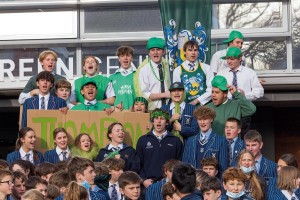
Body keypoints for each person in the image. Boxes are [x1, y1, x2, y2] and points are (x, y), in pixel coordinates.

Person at [136, 108, 183, 188]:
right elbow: (138, 164)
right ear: (152, 121)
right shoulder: (143, 140)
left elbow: (180, 164)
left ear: (167, 122)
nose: (159, 121)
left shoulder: (176, 141)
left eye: (162, 118)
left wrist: (172, 180)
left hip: (169, 184)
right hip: (148, 184)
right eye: (156, 118)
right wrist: (143, 180)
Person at [182, 106, 228, 177]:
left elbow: (223, 169)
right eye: (200, 119)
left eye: (205, 119)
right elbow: (185, 166)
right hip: (193, 183)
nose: (202, 122)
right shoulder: (190, 141)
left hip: (211, 185)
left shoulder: (221, 140)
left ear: (211, 119)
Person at [135, 37, 171, 110]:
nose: (155, 52)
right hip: (152, 110)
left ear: (163, 52)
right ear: (149, 53)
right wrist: (164, 95)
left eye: (158, 49)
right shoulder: (144, 70)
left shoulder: (168, 68)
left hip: (169, 109)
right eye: (152, 50)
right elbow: (144, 94)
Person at [173, 40, 213, 105]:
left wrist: (196, 101)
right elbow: (176, 92)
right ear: (184, 52)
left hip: (204, 106)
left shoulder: (207, 68)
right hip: (185, 107)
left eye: (195, 50)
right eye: (190, 50)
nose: (193, 53)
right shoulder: (177, 70)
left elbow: (211, 89)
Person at [110, 46, 136, 110]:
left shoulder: (138, 75)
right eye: (122, 56)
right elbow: (110, 99)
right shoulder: (112, 77)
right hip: (117, 114)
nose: (125, 58)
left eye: (128, 55)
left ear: (132, 58)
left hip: (134, 113)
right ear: (119, 58)